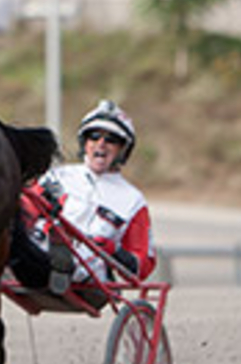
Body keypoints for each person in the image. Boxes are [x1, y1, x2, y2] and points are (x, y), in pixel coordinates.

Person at [9, 99, 157, 294]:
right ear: (85, 143)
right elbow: (26, 210)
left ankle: (61, 263)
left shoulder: (133, 200)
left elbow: (142, 266)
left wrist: (115, 250)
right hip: (38, 251)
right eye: (94, 137)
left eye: (111, 140)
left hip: (90, 277)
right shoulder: (56, 176)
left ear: (123, 149)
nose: (101, 144)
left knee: (81, 250)